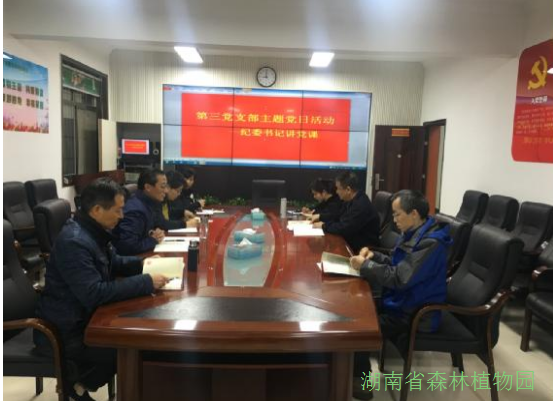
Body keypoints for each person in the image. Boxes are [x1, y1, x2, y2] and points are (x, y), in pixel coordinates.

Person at [34, 178, 170, 401]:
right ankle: (78, 386)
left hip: (84, 319)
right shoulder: (75, 241)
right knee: (135, 347)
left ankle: (81, 385)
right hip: (67, 332)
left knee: (142, 339)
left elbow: (114, 262)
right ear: (97, 210)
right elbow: (94, 293)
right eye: (117, 210)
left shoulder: (94, 231)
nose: (122, 216)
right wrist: (146, 282)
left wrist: (144, 264)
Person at [348, 190, 451, 400]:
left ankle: (361, 383)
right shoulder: (415, 232)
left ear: (414, 213)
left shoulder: (431, 243)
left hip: (415, 313)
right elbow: (397, 264)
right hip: (401, 301)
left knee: (360, 329)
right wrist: (374, 256)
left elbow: (399, 278)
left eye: (397, 215)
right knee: (355, 309)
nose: (393, 220)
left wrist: (366, 265)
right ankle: (347, 371)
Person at [312, 171, 380, 253]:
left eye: (338, 188)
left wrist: (323, 226)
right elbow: (337, 216)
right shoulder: (350, 200)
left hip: (361, 250)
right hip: (351, 243)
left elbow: (344, 228)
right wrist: (321, 217)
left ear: (348, 190)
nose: (336, 192)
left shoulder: (360, 205)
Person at [112, 169, 167, 255]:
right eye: (162, 187)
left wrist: (153, 233)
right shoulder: (135, 211)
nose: (166, 191)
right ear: (148, 187)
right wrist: (153, 240)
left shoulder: (150, 202)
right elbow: (128, 246)